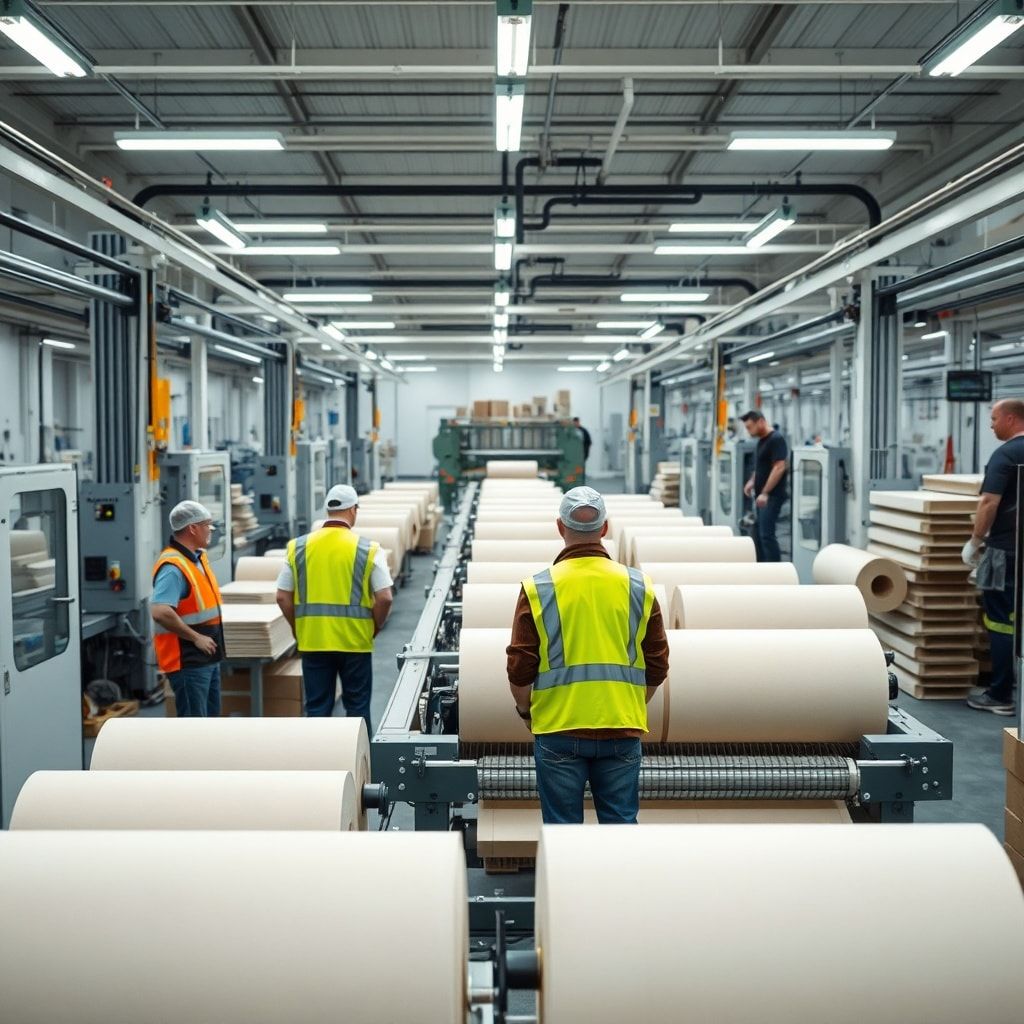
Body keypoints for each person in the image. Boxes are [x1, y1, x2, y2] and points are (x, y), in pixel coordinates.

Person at [506, 486, 670, 824]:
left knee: (563, 833)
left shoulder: (539, 588)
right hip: (621, 728)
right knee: (620, 830)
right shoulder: (639, 586)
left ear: (559, 527)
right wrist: (630, 704)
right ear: (605, 528)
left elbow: (520, 666)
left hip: (558, 729)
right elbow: (657, 664)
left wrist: (526, 712)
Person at [276, 484, 394, 723]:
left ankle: (321, 759)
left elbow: (282, 596)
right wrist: (375, 626)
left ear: (328, 511)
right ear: (353, 510)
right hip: (355, 642)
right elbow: (385, 597)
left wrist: (298, 628)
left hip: (314, 641)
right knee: (357, 709)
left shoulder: (297, 547)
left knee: (318, 709)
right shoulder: (368, 549)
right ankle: (358, 759)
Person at [963, 398, 1024, 715]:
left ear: (1012, 419)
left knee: (1000, 621)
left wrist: (975, 542)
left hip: (1006, 551)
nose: (991, 424)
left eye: (994, 418)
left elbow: (989, 502)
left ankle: (1001, 695)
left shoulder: (1006, 454)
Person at [151, 500, 224, 717]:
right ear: (192, 528)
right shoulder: (173, 567)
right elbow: (160, 611)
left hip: (206, 657)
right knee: (194, 726)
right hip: (189, 660)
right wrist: (195, 638)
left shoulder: (196, 559)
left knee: (209, 723)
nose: (210, 530)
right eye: (206, 525)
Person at [741, 410, 789, 562]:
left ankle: (775, 572)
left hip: (772, 496)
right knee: (758, 534)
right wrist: (752, 482)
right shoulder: (762, 440)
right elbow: (762, 467)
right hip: (763, 495)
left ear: (761, 421)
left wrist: (765, 492)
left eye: (750, 427)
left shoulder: (776, 439)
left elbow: (779, 467)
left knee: (767, 536)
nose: (748, 431)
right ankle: (762, 569)